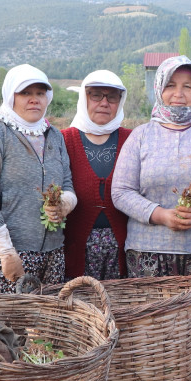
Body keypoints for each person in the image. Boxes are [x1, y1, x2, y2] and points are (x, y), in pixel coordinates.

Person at [111, 55, 191, 277]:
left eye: (187, 87)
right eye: (170, 86)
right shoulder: (141, 136)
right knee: (155, 313)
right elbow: (121, 192)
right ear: (159, 89)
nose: (179, 94)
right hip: (148, 251)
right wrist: (161, 215)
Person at [0, 64, 74, 293]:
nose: (34, 99)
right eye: (25, 93)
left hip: (52, 253)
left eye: (40, 93)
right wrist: (6, 251)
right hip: (7, 255)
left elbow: (67, 184)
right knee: (7, 326)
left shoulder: (54, 135)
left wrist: (65, 204)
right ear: (11, 96)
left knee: (47, 326)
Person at [60, 71, 132, 280]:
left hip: (121, 246)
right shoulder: (64, 139)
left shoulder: (132, 139)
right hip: (75, 245)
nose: (104, 103)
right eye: (96, 95)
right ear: (84, 98)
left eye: (112, 97)